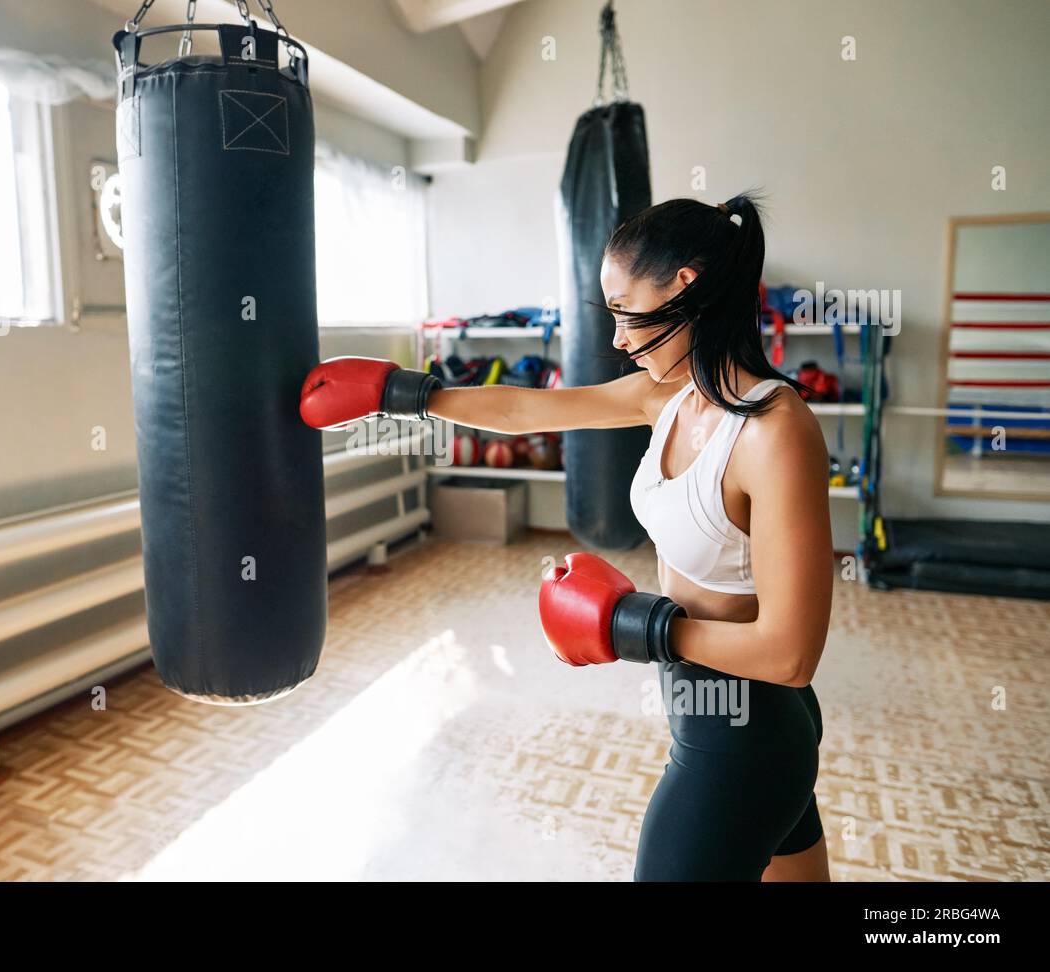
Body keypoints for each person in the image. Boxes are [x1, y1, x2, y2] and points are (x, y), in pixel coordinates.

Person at [299, 194, 833, 882]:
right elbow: (526, 408)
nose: (616, 336)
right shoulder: (663, 395)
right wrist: (403, 394)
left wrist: (636, 627)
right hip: (724, 720)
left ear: (686, 288)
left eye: (624, 309)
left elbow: (791, 655)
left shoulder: (774, 430)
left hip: (745, 733)